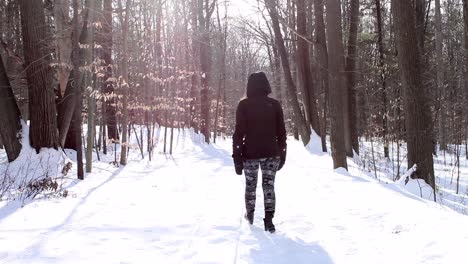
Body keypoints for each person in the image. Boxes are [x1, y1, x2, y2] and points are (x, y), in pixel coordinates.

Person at [232, 72, 287, 233]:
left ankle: (250, 215)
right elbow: (282, 133)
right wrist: (282, 153)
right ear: (266, 85)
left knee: (250, 186)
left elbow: (238, 134)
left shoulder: (244, 105)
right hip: (271, 152)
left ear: (249, 85)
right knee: (268, 186)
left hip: (250, 154)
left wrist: (237, 158)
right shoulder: (274, 104)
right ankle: (269, 220)